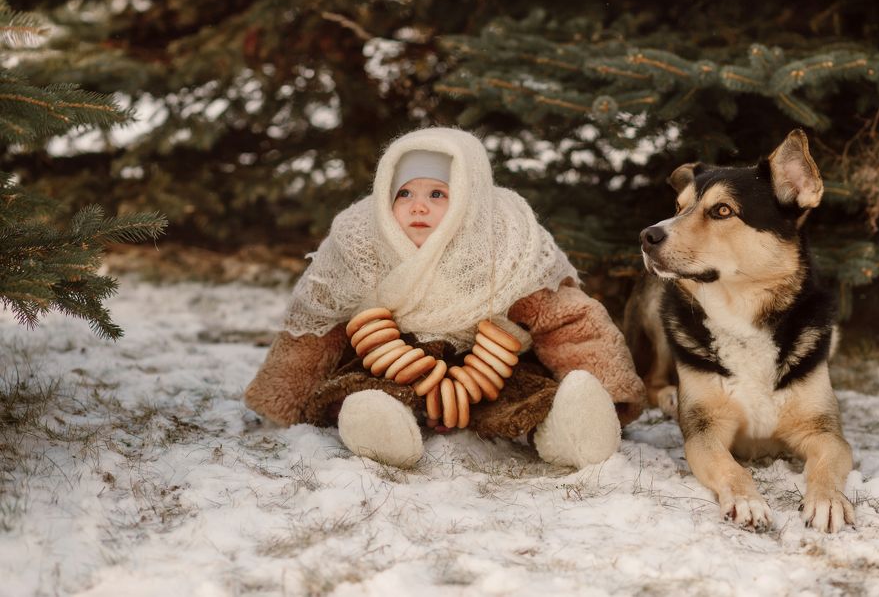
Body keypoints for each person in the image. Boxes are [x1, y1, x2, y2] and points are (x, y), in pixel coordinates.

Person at [244, 127, 645, 468]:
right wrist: (282, 399)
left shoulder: (507, 244)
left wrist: (612, 391)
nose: (418, 206)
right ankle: (378, 427)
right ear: (385, 194)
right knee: (356, 389)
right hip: (390, 364)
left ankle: (570, 429)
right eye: (404, 194)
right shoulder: (359, 244)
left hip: (488, 367)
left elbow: (565, 319)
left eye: (438, 194)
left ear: (469, 199)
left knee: (530, 394)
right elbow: (315, 324)